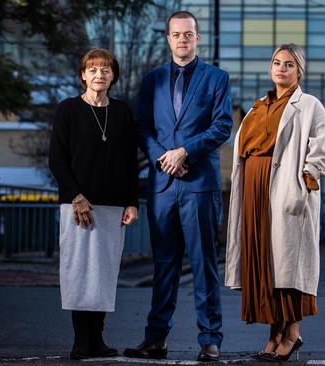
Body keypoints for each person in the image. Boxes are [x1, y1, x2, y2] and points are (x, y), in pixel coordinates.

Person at [123, 10, 233, 362]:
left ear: (197, 38)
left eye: (188, 34)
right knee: (164, 265)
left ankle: (210, 339)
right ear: (168, 39)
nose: (182, 40)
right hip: (163, 186)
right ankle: (155, 340)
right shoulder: (152, 80)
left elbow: (222, 127)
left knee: (204, 264)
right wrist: (162, 157)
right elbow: (142, 127)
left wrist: (185, 151)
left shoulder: (217, 78)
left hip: (200, 184)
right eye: (176, 35)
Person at [225, 43, 325, 362]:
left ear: (299, 70)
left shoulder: (311, 105)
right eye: (276, 62)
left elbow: (319, 151)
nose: (281, 68)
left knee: (290, 267)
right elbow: (243, 147)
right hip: (254, 191)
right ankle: (273, 333)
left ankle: (292, 334)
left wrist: (306, 181)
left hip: (287, 190)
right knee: (265, 266)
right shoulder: (258, 106)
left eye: (288, 64)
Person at [48, 48, 139, 360]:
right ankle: (80, 340)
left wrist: (132, 202)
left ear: (113, 76)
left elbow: (130, 162)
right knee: (78, 272)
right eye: (93, 70)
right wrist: (76, 196)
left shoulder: (123, 112)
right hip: (76, 205)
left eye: (106, 69)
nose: (99, 75)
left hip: (113, 206)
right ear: (82, 75)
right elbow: (57, 160)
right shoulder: (68, 110)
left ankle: (98, 339)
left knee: (103, 273)